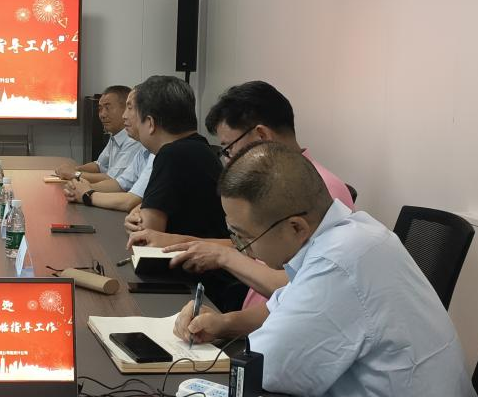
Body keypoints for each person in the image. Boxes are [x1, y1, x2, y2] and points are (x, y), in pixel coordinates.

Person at [175, 142, 478, 397]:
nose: (243, 249)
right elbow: (281, 307)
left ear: (296, 227)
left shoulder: (339, 263)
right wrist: (223, 323)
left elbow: (265, 368)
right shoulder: (352, 234)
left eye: (244, 237)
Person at [131, 80, 356, 329]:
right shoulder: (277, 182)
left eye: (228, 149)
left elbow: (296, 288)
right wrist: (184, 242)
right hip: (253, 317)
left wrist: (223, 257)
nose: (228, 161)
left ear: (261, 136)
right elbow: (256, 246)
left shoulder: (318, 191)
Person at [130, 75, 228, 238]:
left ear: (150, 123)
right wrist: (139, 212)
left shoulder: (171, 155)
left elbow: (145, 234)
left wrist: (136, 221)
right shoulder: (200, 147)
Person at [63, 89, 152, 212]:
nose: (125, 116)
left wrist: (86, 193)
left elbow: (130, 201)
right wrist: (83, 187)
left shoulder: (152, 150)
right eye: (100, 109)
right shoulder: (144, 150)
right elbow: (120, 183)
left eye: (130, 108)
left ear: (150, 119)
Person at [54, 85, 142, 184]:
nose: (102, 114)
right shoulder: (115, 136)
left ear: (126, 109)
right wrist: (75, 169)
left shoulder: (133, 140)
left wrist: (75, 174)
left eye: (108, 108)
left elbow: (114, 180)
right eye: (100, 109)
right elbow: (100, 165)